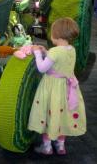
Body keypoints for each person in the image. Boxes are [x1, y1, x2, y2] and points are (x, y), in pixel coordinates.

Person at [28, 17, 86, 155]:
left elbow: (42, 68)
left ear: (56, 35)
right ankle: (60, 146)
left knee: (50, 114)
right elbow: (60, 61)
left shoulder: (55, 51)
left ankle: (47, 147)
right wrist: (46, 52)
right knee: (62, 116)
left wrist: (37, 53)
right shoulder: (71, 49)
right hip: (66, 89)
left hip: (52, 89)